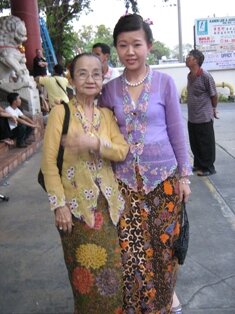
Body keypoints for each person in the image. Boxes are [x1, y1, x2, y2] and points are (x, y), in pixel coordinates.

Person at [98, 14, 192, 313]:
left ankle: (166, 302)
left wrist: (184, 176)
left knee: (164, 248)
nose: (130, 51)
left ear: (148, 46)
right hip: (123, 182)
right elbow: (102, 131)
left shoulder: (164, 82)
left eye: (136, 44)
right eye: (123, 45)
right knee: (131, 249)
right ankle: (138, 306)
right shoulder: (109, 90)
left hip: (164, 179)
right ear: (116, 48)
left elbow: (177, 131)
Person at [40, 52, 129, 314]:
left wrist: (96, 144)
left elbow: (122, 150)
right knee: (85, 281)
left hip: (109, 210)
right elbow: (48, 165)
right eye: (82, 73)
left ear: (103, 78)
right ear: (71, 78)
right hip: (76, 212)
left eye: (96, 73)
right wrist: (59, 206)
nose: (90, 79)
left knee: (113, 279)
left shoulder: (106, 115)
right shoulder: (60, 113)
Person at [186, 49, 218, 177]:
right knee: (195, 142)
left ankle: (209, 167)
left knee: (206, 143)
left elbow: (214, 94)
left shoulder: (205, 76)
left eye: (189, 57)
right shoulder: (190, 75)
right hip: (192, 117)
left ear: (196, 60)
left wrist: (214, 108)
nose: (187, 58)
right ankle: (198, 164)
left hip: (204, 116)